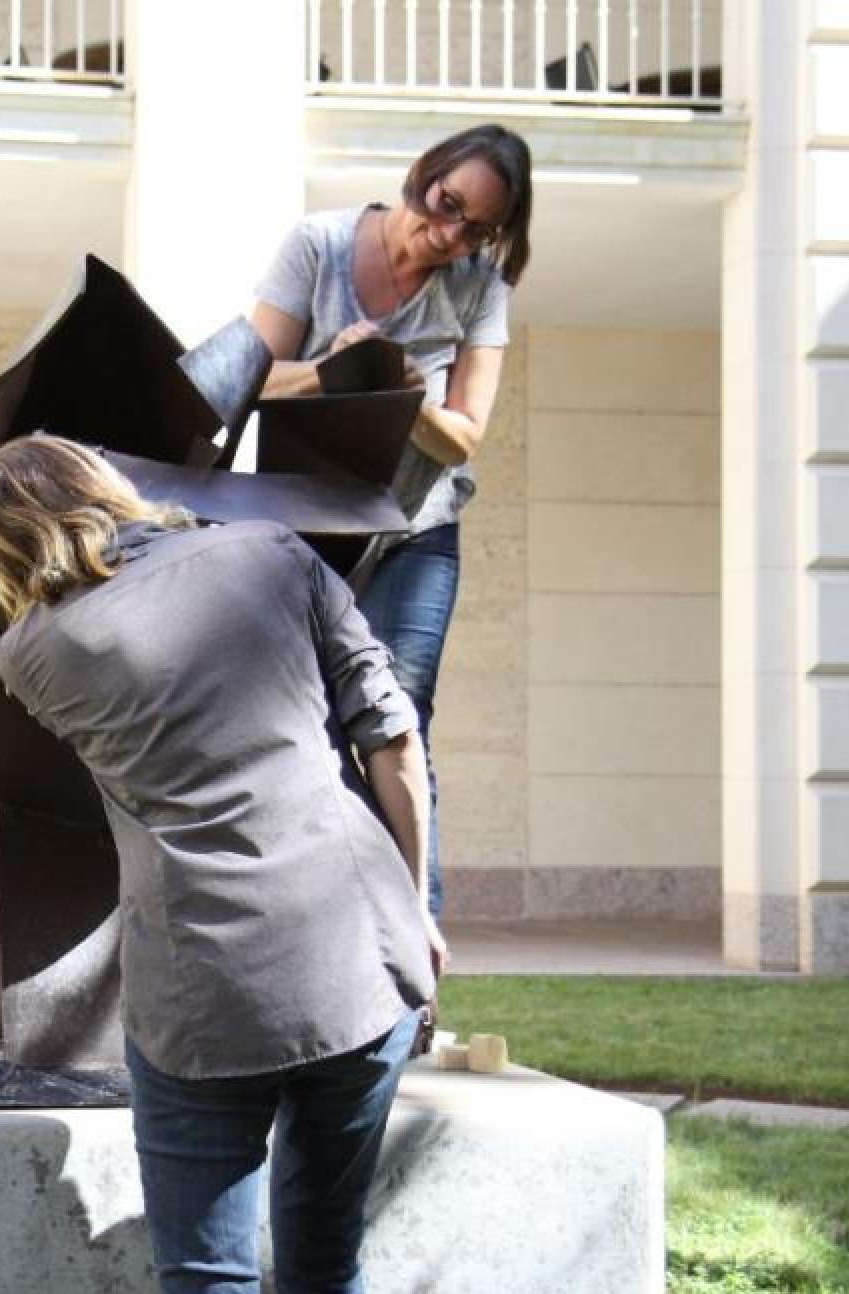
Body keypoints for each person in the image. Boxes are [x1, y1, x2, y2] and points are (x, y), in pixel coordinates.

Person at [0, 434, 446, 1294]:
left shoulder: (29, 655)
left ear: (8, 546)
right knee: (325, 1264)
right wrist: (416, 907)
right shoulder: (271, 551)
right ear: (109, 487)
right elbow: (393, 740)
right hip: (360, 958)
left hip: (199, 993)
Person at [249, 123, 533, 919]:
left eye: (476, 228)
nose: (449, 236)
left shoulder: (480, 290)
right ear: (423, 176)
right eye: (446, 206)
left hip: (415, 530)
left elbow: (464, 434)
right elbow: (251, 379)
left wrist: (404, 392)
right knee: (299, 724)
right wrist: (337, 371)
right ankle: (322, 937)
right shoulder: (318, 245)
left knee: (398, 717)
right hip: (307, 528)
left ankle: (416, 954)